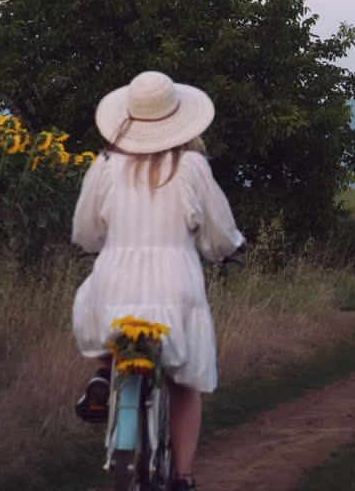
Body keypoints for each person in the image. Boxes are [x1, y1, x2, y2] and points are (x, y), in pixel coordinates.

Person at [70, 70, 244, 491]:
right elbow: (218, 232)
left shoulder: (105, 166)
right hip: (174, 285)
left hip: (115, 282)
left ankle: (103, 371)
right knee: (184, 382)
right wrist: (228, 248)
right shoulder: (191, 166)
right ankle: (182, 477)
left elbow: (86, 234)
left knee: (115, 322)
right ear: (178, 119)